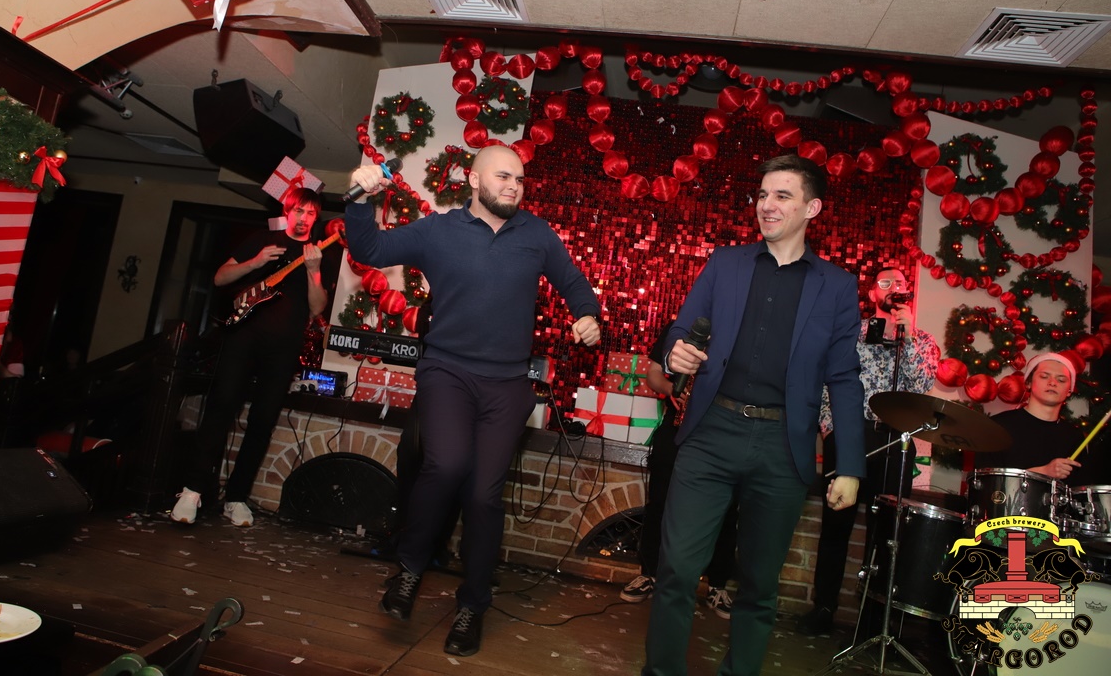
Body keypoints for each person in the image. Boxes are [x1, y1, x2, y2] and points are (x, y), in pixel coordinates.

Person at [345, 144, 602, 658]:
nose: (514, 186)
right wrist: (359, 198)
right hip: (448, 372)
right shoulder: (438, 231)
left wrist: (587, 314)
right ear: (474, 179)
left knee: (484, 496)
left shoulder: (536, 234)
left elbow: (574, 282)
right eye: (503, 176)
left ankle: (473, 606)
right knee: (445, 465)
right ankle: (410, 568)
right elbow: (370, 249)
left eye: (520, 179)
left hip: (507, 385)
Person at [641, 154, 867, 676]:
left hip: (782, 446)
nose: (767, 205)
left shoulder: (836, 286)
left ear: (812, 208)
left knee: (760, 585)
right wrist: (676, 354)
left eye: (782, 195)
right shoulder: (726, 263)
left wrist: (850, 467)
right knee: (676, 569)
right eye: (763, 195)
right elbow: (681, 330)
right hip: (710, 433)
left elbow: (844, 378)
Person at [796, 266, 940, 636]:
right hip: (850, 432)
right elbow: (827, 380)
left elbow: (922, 386)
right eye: (885, 282)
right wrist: (829, 428)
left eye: (900, 283)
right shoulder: (850, 332)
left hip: (896, 438)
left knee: (886, 532)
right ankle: (823, 607)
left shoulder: (922, 341)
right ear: (873, 293)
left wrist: (907, 338)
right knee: (836, 524)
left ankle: (872, 620)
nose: (894, 287)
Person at [170, 187, 328, 527]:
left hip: (283, 348)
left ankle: (237, 497)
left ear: (316, 218)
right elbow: (219, 277)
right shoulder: (262, 239)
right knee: (221, 407)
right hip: (243, 339)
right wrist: (256, 262)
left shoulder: (315, 253)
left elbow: (317, 309)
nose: (303, 218)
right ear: (288, 211)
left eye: (310, 213)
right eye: (298, 210)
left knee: (263, 420)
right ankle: (192, 491)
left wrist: (314, 270)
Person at [620, 322, 739, 620]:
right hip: (677, 427)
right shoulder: (680, 327)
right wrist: (671, 390)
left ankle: (717, 586)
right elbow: (653, 373)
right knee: (659, 500)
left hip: (722, 431)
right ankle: (649, 573)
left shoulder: (739, 329)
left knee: (726, 508)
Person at [973, 352, 1085, 484]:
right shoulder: (997, 427)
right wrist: (1043, 472)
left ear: (1069, 391)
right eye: (1044, 376)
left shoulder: (1074, 437)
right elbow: (985, 484)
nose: (1052, 383)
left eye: (1061, 380)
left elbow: (1079, 490)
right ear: (1028, 383)